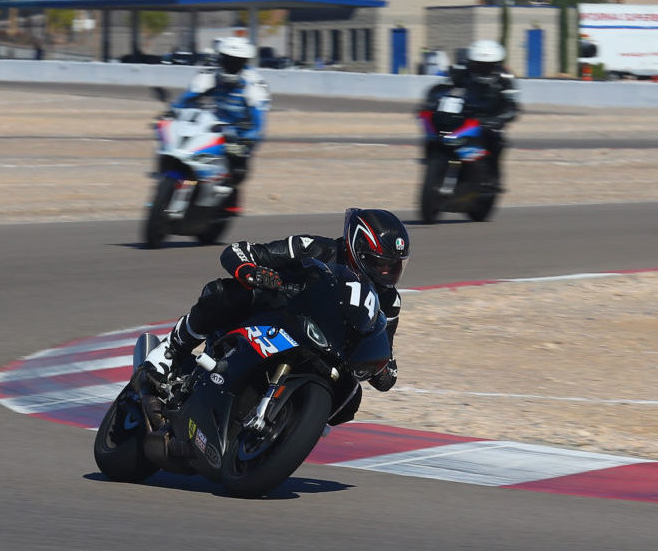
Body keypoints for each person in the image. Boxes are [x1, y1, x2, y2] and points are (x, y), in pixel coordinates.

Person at [150, 208, 410, 395]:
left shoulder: (388, 301)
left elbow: (382, 350)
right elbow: (241, 251)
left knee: (351, 394)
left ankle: (284, 428)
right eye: (381, 264)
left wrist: (383, 368)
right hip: (278, 320)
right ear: (357, 249)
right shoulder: (314, 248)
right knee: (226, 292)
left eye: (395, 266)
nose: (388, 273)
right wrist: (251, 271)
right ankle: (172, 349)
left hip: (324, 354)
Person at [170, 36, 271, 193]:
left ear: (244, 63)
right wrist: (172, 112)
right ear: (221, 59)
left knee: (237, 171)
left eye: (237, 62)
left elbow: (259, 122)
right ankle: (184, 182)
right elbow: (188, 97)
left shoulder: (254, 83)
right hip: (211, 126)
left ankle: (226, 201)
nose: (232, 65)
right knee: (182, 149)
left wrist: (247, 141)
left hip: (240, 134)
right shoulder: (210, 73)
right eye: (228, 60)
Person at [421, 39, 520, 193]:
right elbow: (442, 88)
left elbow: (512, 106)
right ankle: (432, 159)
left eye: (488, 65)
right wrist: (431, 102)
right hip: (464, 113)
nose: (484, 68)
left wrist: (498, 119)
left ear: (497, 63)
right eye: (479, 64)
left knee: (497, 141)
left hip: (489, 118)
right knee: (436, 127)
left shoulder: (506, 78)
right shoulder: (461, 70)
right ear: (472, 62)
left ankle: (492, 178)